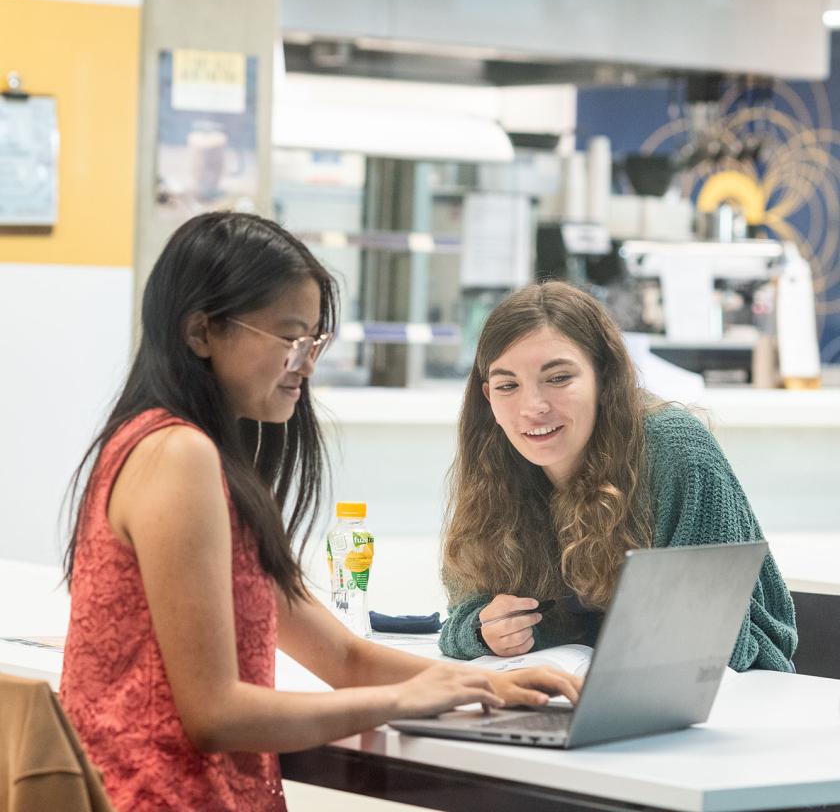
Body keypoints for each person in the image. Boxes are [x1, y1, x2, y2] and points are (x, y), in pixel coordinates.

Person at [59, 213, 581, 812]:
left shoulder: (183, 452)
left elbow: (342, 657)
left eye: (314, 340)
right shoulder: (177, 455)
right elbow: (215, 714)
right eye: (290, 338)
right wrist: (401, 701)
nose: (306, 363)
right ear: (202, 332)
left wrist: (489, 684)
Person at [438, 280, 796, 672]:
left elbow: (714, 641)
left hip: (732, 693)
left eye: (558, 378)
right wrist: (482, 629)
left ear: (605, 378)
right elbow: (461, 615)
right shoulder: (495, 457)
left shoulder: (674, 449)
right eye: (509, 385)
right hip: (574, 691)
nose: (532, 407)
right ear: (489, 396)